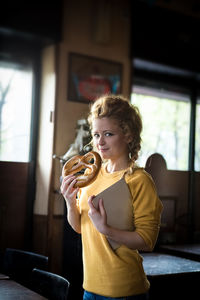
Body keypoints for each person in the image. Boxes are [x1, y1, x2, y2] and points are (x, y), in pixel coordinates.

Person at [61, 94, 163, 300]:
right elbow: (81, 228)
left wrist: (106, 230)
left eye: (108, 134)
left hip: (125, 291)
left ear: (128, 135)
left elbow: (147, 240)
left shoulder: (139, 180)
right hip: (89, 288)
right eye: (96, 134)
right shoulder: (91, 176)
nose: (100, 142)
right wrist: (70, 203)